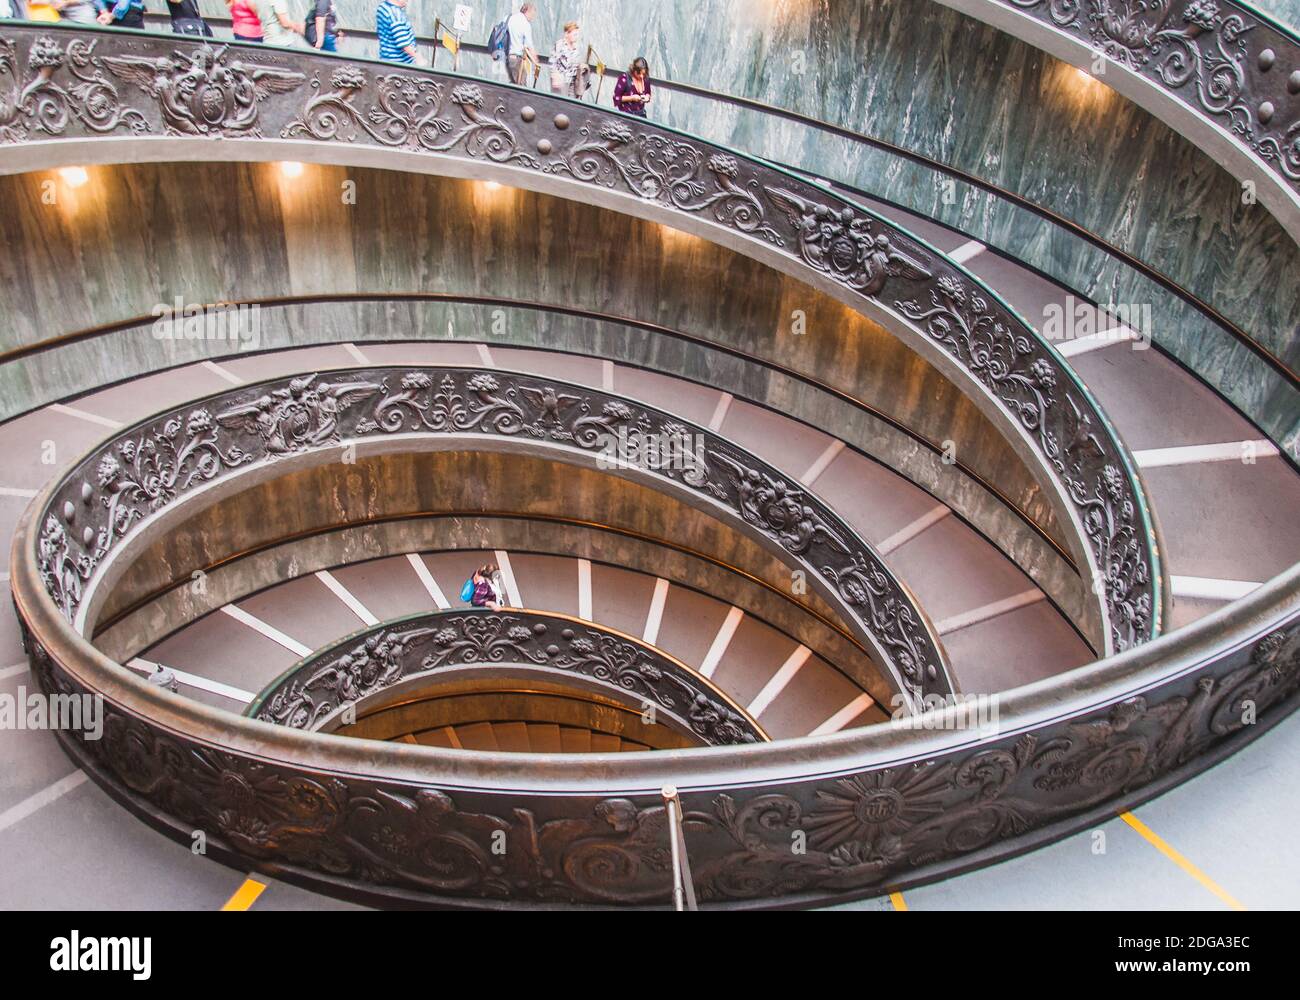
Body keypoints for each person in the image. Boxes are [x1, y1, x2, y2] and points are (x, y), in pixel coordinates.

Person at [549, 20, 588, 99]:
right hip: (561, 80)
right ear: (567, 34)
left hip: (572, 81)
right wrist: (554, 75)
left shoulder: (576, 48)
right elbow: (553, 61)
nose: (576, 37)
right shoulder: (560, 45)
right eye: (574, 34)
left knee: (571, 103)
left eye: (577, 34)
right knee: (559, 101)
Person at [376, 0, 421, 65]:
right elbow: (403, 43)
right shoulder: (396, 16)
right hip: (400, 63)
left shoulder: (383, 7)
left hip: (386, 58)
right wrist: (417, 57)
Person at [506, 2, 538, 86]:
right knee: (521, 87)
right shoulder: (525, 24)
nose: (532, 18)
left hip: (508, 57)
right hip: (518, 59)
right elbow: (529, 45)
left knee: (513, 84)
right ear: (527, 11)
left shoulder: (510, 18)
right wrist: (536, 61)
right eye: (532, 15)